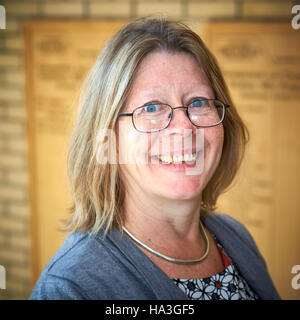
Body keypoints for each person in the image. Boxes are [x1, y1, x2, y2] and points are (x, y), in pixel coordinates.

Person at [30, 17, 280, 300]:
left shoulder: (234, 236)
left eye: (197, 102)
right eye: (151, 108)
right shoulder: (70, 287)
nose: (185, 128)